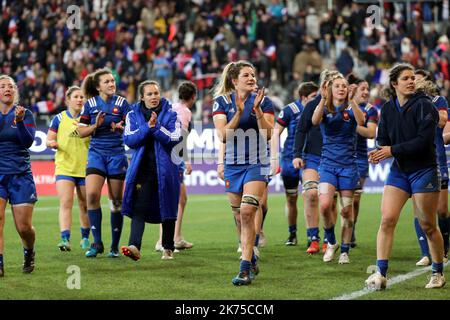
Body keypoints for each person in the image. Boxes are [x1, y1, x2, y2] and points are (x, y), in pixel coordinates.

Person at [365, 64, 445, 290]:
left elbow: (423, 141)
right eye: (406, 78)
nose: (411, 81)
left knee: (428, 225)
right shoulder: (388, 109)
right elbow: (382, 138)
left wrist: (391, 150)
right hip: (400, 171)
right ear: (394, 84)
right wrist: (380, 151)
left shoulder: (425, 106)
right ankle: (380, 273)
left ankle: (438, 272)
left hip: (424, 170)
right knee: (387, 219)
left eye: (413, 78)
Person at [213, 61, 274, 286]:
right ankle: (251, 254)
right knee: (239, 217)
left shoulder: (264, 101)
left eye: (253, 75)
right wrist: (238, 113)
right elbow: (223, 136)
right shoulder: (221, 102)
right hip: (232, 165)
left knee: (248, 211)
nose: (252, 78)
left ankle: (244, 268)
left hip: (257, 163)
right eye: (246, 75)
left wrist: (257, 111)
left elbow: (268, 135)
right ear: (234, 80)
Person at [120, 80, 182, 260]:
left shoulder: (171, 114)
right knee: (139, 207)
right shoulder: (133, 114)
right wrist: (148, 127)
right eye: (149, 94)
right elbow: (129, 140)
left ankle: (168, 247)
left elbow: (175, 138)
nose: (154, 97)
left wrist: (156, 128)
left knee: (168, 207)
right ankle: (134, 246)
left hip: (167, 169)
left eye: (156, 93)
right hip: (143, 170)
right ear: (142, 97)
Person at [311, 73, 365, 264]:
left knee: (346, 212)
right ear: (330, 89)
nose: (342, 88)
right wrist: (323, 99)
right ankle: (331, 241)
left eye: (344, 85)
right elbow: (314, 121)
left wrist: (352, 101)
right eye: (338, 86)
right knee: (325, 205)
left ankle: (344, 250)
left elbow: (361, 121)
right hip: (327, 165)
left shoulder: (351, 108)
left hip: (348, 166)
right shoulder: (325, 108)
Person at [78, 68, 130, 258]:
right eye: (107, 81)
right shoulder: (90, 104)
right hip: (96, 154)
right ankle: (97, 242)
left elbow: (132, 126)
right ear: (98, 86)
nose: (111, 84)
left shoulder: (123, 103)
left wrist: (121, 126)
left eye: (112, 81)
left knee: (116, 201)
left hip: (117, 155)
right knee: (91, 195)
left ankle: (114, 247)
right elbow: (80, 132)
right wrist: (96, 126)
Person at [292, 70, 340, 254]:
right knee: (311, 194)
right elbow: (301, 130)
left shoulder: (343, 106)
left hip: (333, 158)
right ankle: (313, 238)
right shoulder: (312, 105)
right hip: (311, 156)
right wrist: (296, 154)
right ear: (324, 86)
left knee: (330, 202)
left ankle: (330, 239)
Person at [271, 82, 318, 247]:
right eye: (313, 97)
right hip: (289, 160)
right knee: (291, 198)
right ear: (304, 97)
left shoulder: (320, 109)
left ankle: (312, 236)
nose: (316, 99)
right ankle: (292, 234)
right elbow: (276, 132)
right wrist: (275, 158)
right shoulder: (290, 110)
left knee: (309, 195)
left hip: (309, 159)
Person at [0, 75, 37, 276]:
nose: (7, 89)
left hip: (21, 175)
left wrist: (20, 122)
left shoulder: (25, 114)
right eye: (3, 86)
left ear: (15, 91)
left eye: (11, 86)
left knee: (24, 228)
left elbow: (27, 142)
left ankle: (29, 251)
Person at [412, 69, 450, 266]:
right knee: (419, 209)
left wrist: (423, 101)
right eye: (411, 79)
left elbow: (442, 121)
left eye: (417, 79)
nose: (413, 82)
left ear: (427, 82)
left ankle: (444, 248)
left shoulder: (438, 101)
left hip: (437, 160)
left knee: (442, 210)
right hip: (415, 161)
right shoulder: (407, 103)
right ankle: (426, 253)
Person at [47, 86, 91, 252]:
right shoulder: (59, 118)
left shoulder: (88, 119)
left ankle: (85, 238)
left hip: (85, 168)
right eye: (76, 97)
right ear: (68, 100)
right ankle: (65, 239)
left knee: (84, 205)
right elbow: (48, 139)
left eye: (82, 97)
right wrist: (52, 143)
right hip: (64, 167)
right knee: (66, 202)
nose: (80, 100)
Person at [154, 81, 197, 252]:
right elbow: (181, 137)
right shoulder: (185, 111)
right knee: (170, 199)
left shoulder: (171, 106)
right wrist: (185, 160)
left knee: (181, 199)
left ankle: (177, 237)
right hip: (173, 158)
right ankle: (162, 240)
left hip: (165, 154)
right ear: (194, 96)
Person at [347, 74, 378, 248]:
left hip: (359, 158)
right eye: (362, 88)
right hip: (337, 156)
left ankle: (351, 229)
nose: (366, 92)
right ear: (353, 89)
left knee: (355, 199)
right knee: (334, 200)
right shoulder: (339, 105)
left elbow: (371, 133)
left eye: (367, 88)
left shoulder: (370, 110)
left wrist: (352, 123)